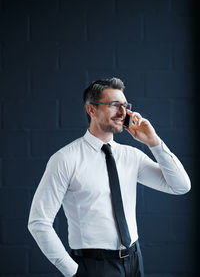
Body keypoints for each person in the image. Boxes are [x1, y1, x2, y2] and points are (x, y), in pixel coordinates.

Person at [28, 78, 191, 277]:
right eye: (115, 105)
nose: (123, 112)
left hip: (134, 260)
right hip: (93, 266)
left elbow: (180, 186)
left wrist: (154, 142)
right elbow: (39, 222)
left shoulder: (131, 156)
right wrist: (73, 272)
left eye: (125, 105)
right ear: (91, 110)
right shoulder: (65, 159)